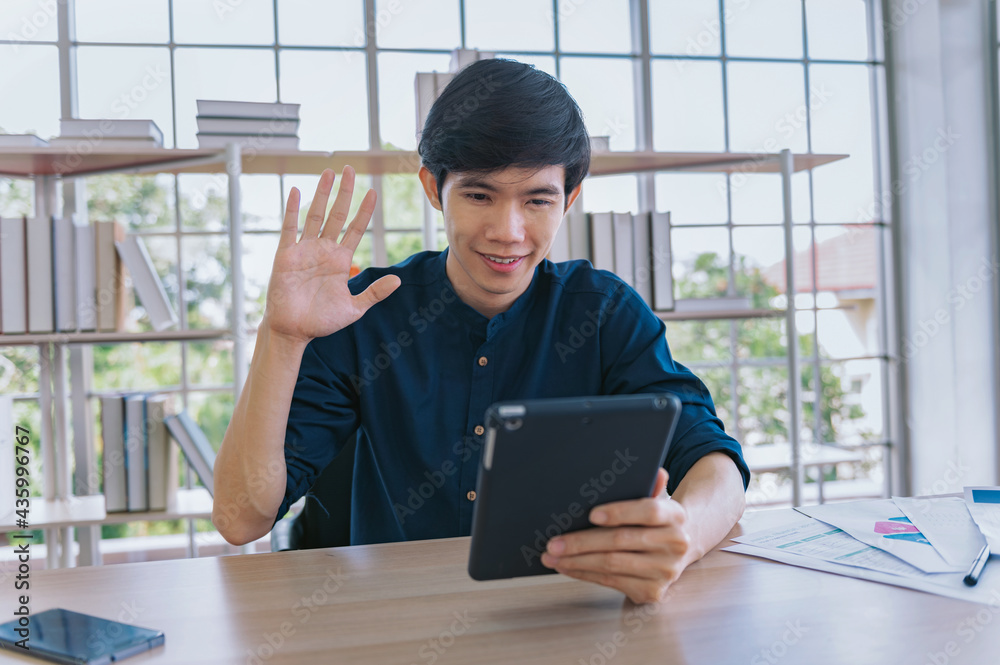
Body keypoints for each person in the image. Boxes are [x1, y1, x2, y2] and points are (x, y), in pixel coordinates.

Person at [214, 58, 749, 604]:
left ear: (569, 198)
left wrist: (682, 537)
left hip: (555, 614)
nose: (508, 232)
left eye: (537, 200)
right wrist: (281, 338)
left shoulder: (604, 312)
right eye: (479, 195)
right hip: (385, 618)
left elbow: (715, 463)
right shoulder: (359, 312)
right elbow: (239, 518)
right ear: (432, 188)